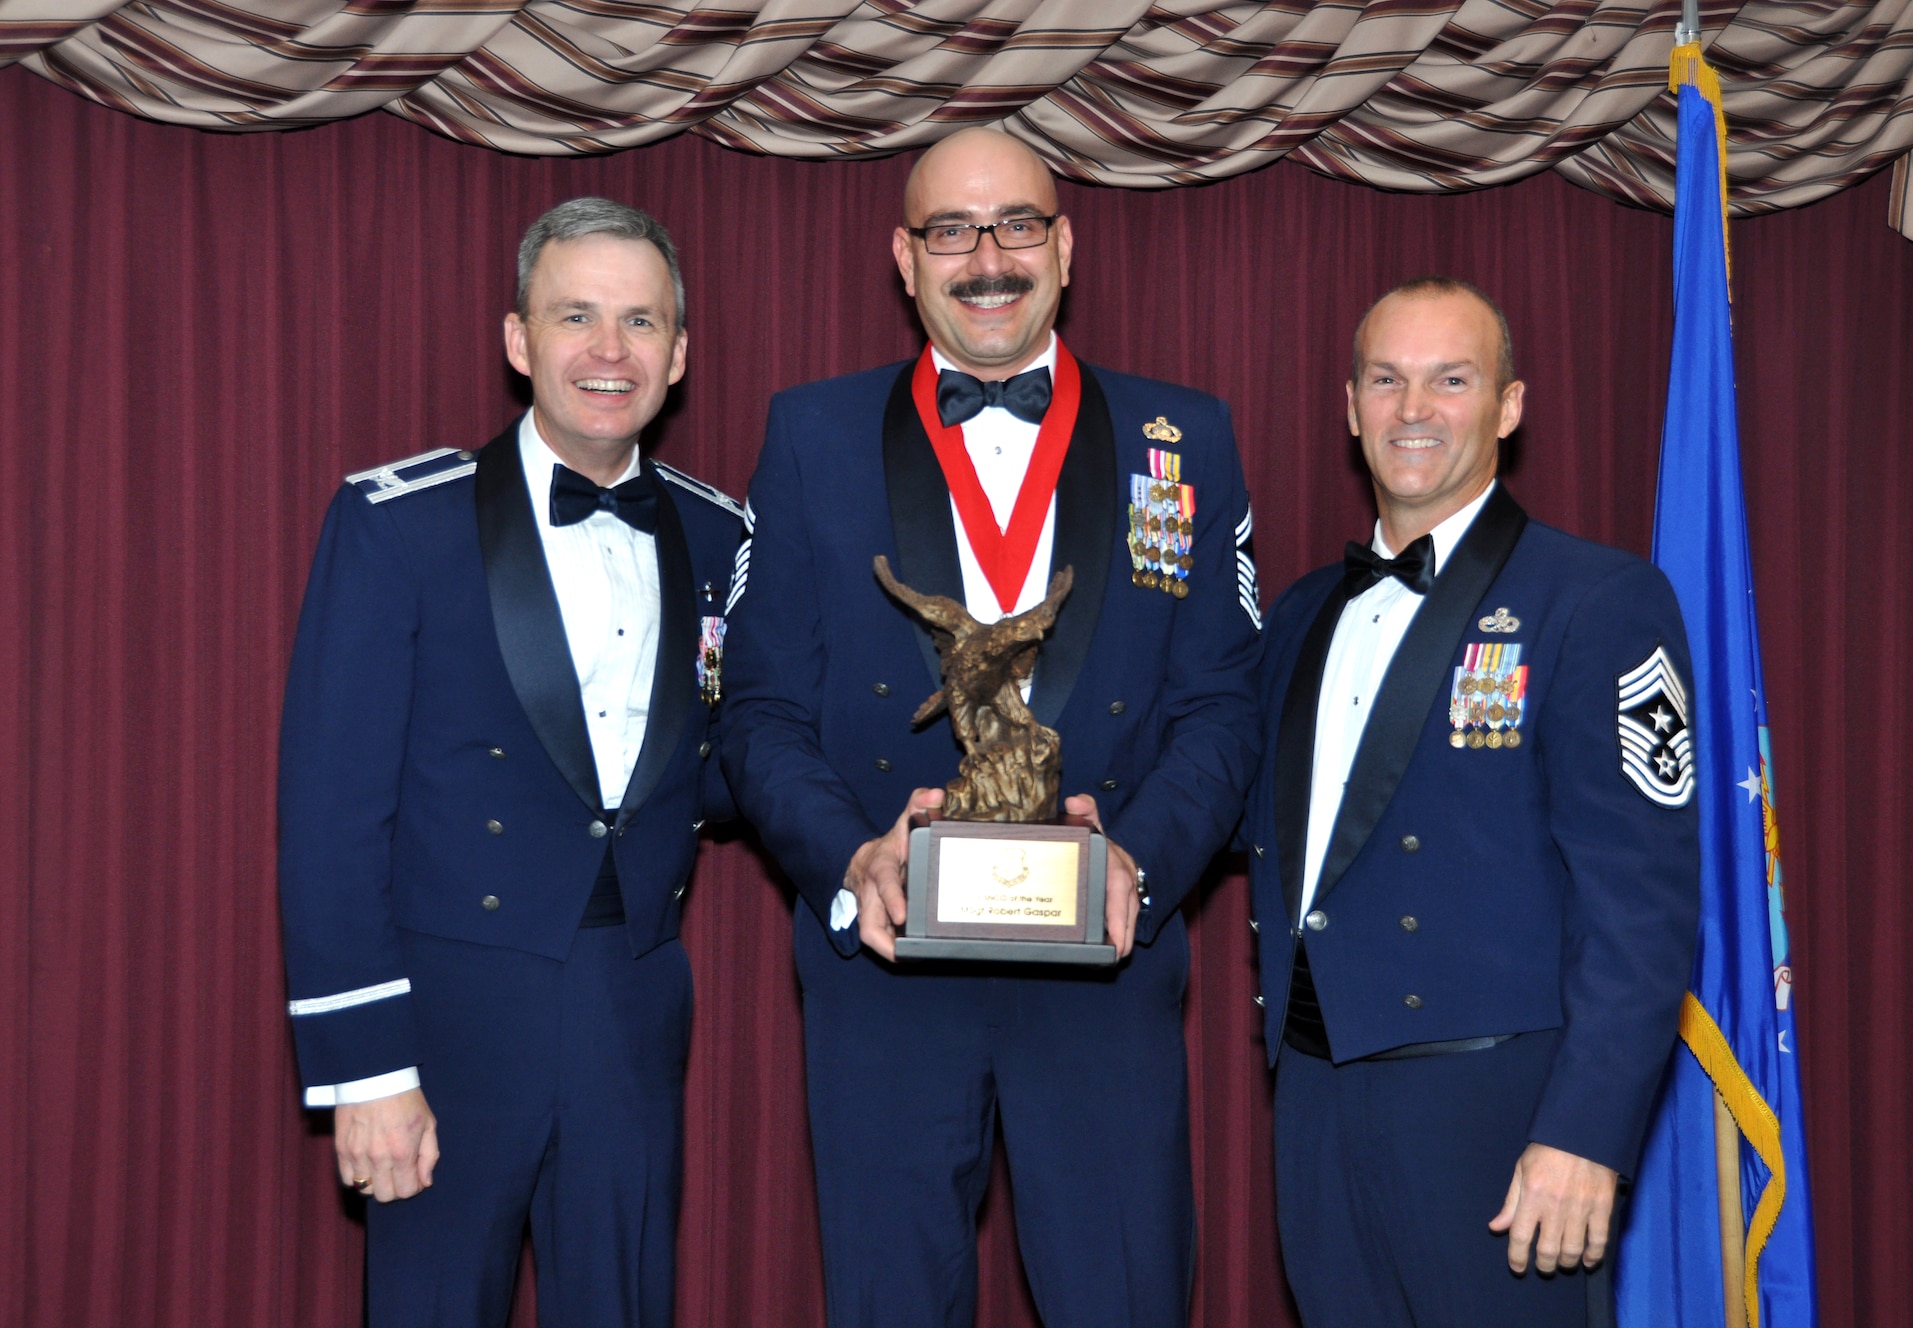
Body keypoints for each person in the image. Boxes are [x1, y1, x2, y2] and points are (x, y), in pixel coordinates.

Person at [718, 127, 1262, 1328]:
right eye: (949, 232)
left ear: (1064, 247)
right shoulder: (810, 436)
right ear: (902, 261)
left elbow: (1223, 707)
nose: (986, 259)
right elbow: (756, 711)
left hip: (1104, 963)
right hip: (888, 967)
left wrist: (1142, 860)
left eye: (1016, 223)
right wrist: (849, 862)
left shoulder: (1187, 437)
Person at [277, 197, 741, 1327]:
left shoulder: (722, 535)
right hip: (445, 1012)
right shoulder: (399, 522)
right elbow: (330, 814)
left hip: (630, 998)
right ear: (518, 339)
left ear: (677, 356)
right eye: (575, 314)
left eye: (640, 321)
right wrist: (368, 1068)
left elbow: (735, 761)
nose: (607, 350)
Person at [1240, 278, 1700, 1326]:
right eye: (1385, 379)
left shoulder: (1596, 601)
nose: (1413, 409)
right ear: (1348, 405)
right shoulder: (1303, 611)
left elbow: (1643, 905)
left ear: (1508, 405)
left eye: (1451, 380)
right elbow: (1235, 813)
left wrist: (1585, 1131)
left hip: (1500, 1123)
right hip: (1314, 1102)